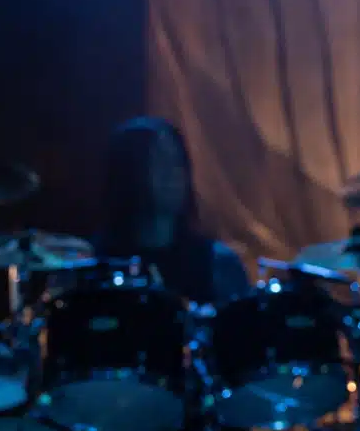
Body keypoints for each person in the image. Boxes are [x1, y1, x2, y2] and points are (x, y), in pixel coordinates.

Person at [97, 116, 248, 303]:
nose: (173, 173)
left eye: (177, 161)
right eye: (158, 161)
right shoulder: (96, 265)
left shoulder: (219, 265)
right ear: (128, 171)